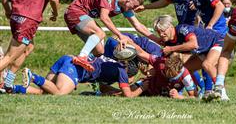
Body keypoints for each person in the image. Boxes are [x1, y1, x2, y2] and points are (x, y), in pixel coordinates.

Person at [0, 0, 60, 93]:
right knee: (9, 56)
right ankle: (6, 81)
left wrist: (8, 10)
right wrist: (55, 14)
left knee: (28, 47)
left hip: (16, 18)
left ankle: (8, 82)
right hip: (28, 21)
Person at [64, 0, 159, 72]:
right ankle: (82, 57)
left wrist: (159, 40)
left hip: (82, 16)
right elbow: (104, 17)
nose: (133, 9)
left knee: (99, 51)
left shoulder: (124, 7)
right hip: (75, 11)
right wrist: (120, 36)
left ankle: (71, 62)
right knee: (100, 33)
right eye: (133, 6)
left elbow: (138, 25)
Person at [153, 15, 224, 101]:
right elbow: (144, 31)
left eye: (163, 31)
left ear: (171, 27)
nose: (161, 34)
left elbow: (193, 44)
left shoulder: (182, 29)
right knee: (185, 69)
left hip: (217, 41)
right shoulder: (168, 41)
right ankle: (195, 95)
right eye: (158, 32)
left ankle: (222, 93)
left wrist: (171, 49)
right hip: (205, 51)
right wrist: (132, 15)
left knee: (207, 64)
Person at [12, 54, 145, 97]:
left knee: (46, 91)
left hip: (68, 58)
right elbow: (128, 95)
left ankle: (12, 88)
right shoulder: (122, 70)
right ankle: (33, 76)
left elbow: (103, 89)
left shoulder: (114, 62)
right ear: (129, 73)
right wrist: (141, 87)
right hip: (74, 68)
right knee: (59, 93)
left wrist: (115, 92)